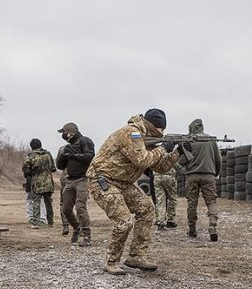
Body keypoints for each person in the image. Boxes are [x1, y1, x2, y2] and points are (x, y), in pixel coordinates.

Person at [87, 109, 183, 275]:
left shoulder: (147, 140)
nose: (163, 133)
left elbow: (161, 167)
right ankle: (112, 262)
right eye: (161, 129)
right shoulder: (132, 133)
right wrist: (162, 149)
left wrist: (178, 152)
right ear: (152, 126)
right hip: (103, 180)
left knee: (146, 209)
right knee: (124, 220)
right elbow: (142, 160)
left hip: (123, 182)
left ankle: (136, 256)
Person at [178, 119, 222, 241]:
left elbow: (181, 161)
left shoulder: (189, 141)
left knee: (192, 203)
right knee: (211, 202)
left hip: (192, 176)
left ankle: (192, 230)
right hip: (209, 175)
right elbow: (218, 159)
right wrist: (216, 173)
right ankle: (212, 226)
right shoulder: (211, 140)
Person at [55, 122, 95, 245]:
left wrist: (74, 155)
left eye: (65, 133)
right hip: (69, 180)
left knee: (80, 206)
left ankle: (87, 236)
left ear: (71, 132)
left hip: (82, 179)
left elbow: (90, 156)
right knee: (66, 209)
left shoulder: (85, 141)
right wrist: (63, 155)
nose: (64, 135)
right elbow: (60, 166)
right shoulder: (68, 146)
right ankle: (77, 228)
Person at [22, 138, 56, 229]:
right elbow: (53, 168)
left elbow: (26, 169)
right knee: (48, 202)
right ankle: (50, 222)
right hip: (48, 182)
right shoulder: (48, 155)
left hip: (36, 182)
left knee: (36, 201)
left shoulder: (30, 156)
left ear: (31, 147)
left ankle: (36, 222)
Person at [153, 160, 178, 231]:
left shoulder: (158, 152)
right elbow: (177, 166)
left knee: (160, 199)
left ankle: (160, 221)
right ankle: (170, 220)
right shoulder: (171, 154)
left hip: (157, 177)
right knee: (172, 198)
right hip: (169, 177)